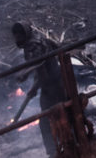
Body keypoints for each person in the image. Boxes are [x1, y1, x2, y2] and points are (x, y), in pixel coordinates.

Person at [12, 22, 65, 158]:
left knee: (46, 122)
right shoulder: (41, 39)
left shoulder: (32, 47)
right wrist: (35, 88)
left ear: (25, 34)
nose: (17, 38)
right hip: (59, 81)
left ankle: (53, 152)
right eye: (16, 35)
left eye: (19, 35)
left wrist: (34, 86)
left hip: (51, 86)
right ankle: (71, 142)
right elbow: (55, 50)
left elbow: (42, 70)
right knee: (65, 113)